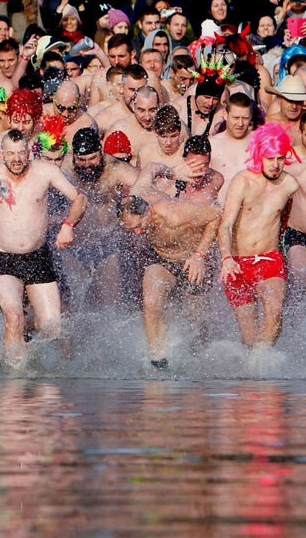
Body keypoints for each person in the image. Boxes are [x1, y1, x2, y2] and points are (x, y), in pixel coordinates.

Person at [0, 129, 87, 365]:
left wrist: (68, 225)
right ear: (2, 154)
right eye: (11, 154)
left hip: (37, 257)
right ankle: (16, 377)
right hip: (4, 257)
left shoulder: (45, 171)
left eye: (21, 153)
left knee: (52, 328)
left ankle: (32, 352)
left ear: (28, 153)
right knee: (13, 318)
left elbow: (79, 198)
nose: (16, 159)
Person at [120, 141, 223, 368]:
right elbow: (150, 168)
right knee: (151, 301)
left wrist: (199, 255)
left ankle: (200, 361)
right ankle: (157, 359)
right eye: (132, 229)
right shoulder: (138, 192)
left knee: (197, 320)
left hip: (189, 259)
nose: (137, 232)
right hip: (160, 258)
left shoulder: (172, 214)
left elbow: (217, 214)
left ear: (147, 212)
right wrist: (173, 173)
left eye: (139, 227)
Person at [218, 124, 301, 348]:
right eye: (270, 158)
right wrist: (226, 258)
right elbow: (225, 225)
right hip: (238, 265)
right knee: (249, 339)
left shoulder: (290, 184)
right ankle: (255, 377)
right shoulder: (242, 182)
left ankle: (261, 363)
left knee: (274, 312)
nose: (275, 165)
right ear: (259, 155)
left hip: (270, 260)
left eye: (281, 158)